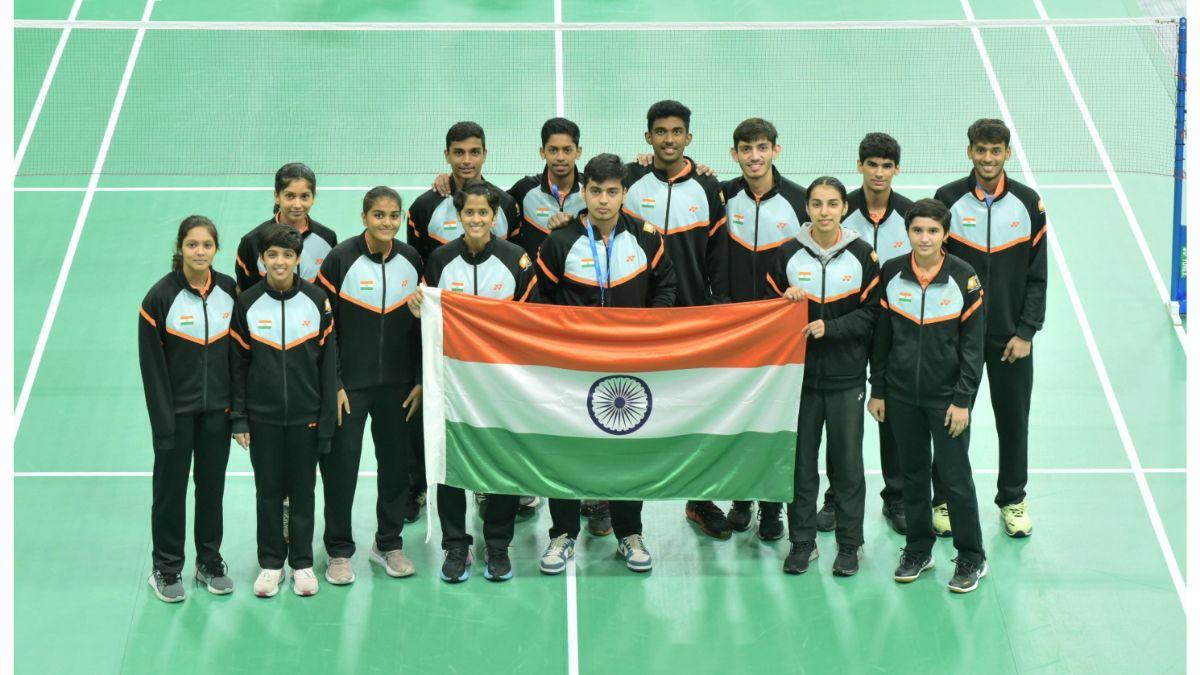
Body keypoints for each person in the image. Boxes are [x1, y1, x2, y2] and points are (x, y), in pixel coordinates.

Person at [534, 153, 677, 574]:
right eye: (595, 191)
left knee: (625, 447)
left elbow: (665, 285)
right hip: (572, 366)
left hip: (628, 364)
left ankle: (629, 532)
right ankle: (562, 533)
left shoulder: (647, 237)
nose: (602, 200)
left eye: (612, 192)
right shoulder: (559, 242)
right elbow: (540, 301)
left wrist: (647, 330)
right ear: (584, 191)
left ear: (624, 194)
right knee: (565, 447)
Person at [410, 180, 536, 583]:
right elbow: (431, 321)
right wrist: (420, 310)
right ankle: (455, 545)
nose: (477, 219)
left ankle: (497, 544)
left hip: (501, 383)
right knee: (452, 461)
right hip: (454, 383)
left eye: (484, 213)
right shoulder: (441, 261)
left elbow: (531, 322)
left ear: (494, 215)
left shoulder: (517, 260)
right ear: (459, 216)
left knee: (501, 459)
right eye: (469, 213)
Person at [623, 99, 732, 540]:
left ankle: (700, 500)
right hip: (639, 320)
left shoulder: (708, 188)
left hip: (690, 320)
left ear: (689, 137)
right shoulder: (629, 181)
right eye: (660, 132)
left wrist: (717, 312)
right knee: (631, 410)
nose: (669, 139)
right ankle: (619, 507)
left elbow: (718, 255)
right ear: (647, 137)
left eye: (677, 131)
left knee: (695, 414)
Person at [868, 198, 989, 593]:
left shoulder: (963, 277)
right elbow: (882, 340)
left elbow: (974, 347)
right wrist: (879, 390)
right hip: (902, 398)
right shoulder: (892, 273)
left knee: (955, 479)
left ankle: (972, 557)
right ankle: (919, 548)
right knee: (913, 478)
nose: (925, 238)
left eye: (933, 231)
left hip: (946, 400)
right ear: (908, 233)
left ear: (945, 234)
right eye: (918, 230)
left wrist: (962, 400)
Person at [934, 118, 1046, 538]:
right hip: (956, 334)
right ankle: (942, 498)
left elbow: (1038, 274)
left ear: (1007, 153)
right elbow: (934, 267)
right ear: (970, 152)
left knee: (1013, 419)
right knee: (950, 418)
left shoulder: (1028, 203)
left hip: (1008, 338)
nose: (987, 158)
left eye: (995, 150)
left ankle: (1013, 499)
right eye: (981, 150)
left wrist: (1027, 332)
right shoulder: (947, 200)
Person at [766, 177, 881, 576]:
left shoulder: (864, 256)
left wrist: (830, 329)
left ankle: (850, 544)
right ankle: (802, 542)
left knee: (846, 466)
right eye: (817, 204)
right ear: (808, 208)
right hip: (798, 380)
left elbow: (871, 315)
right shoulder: (785, 255)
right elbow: (764, 312)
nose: (824, 211)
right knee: (799, 465)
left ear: (843, 208)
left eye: (832, 204)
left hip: (847, 378)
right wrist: (785, 302)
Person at [315, 187, 423, 585]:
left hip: (397, 388)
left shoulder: (412, 260)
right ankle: (339, 551)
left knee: (396, 468)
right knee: (340, 468)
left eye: (394, 216)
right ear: (364, 217)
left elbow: (421, 329)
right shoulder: (340, 259)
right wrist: (336, 383)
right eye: (379, 215)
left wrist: (418, 380)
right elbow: (325, 330)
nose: (387, 223)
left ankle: (388, 544)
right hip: (350, 389)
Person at [230, 224, 338, 598]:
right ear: (262, 259)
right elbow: (239, 366)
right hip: (263, 419)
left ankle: (303, 563)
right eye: (272, 255)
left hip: (306, 417)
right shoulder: (246, 304)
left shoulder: (317, 300)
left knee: (304, 492)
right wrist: (240, 418)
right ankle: (271, 563)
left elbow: (328, 366)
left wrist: (325, 423)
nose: (279, 262)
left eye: (287, 255)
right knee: (268, 492)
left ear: (297, 260)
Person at [138, 216, 237, 602]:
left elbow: (237, 359)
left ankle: (209, 561)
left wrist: (235, 412)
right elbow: (152, 369)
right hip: (175, 416)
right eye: (192, 244)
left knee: (211, 488)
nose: (199, 251)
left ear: (216, 249)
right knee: (170, 492)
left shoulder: (229, 290)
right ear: (180, 248)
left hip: (217, 413)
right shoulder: (158, 298)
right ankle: (165, 568)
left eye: (206, 245)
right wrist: (163, 423)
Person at [720, 117, 808, 539]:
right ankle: (741, 496)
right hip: (736, 327)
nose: (753, 156)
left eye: (761, 147)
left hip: (780, 331)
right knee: (739, 415)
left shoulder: (799, 200)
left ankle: (772, 507)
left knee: (776, 417)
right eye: (745, 148)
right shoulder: (721, 194)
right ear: (733, 154)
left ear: (776, 149)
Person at [823, 132, 915, 536]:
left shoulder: (910, 214)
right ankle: (833, 496)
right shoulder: (841, 210)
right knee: (839, 421)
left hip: (895, 331)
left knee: (890, 414)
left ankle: (895, 496)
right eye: (871, 164)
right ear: (858, 166)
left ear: (897, 169)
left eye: (886, 166)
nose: (879, 173)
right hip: (849, 326)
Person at [407, 121, 521, 263]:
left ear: (484, 154)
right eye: (459, 152)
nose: (467, 161)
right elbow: (415, 263)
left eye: (474, 152)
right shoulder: (424, 207)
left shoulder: (506, 205)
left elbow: (515, 261)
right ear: (447, 155)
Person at [235, 162, 338, 292]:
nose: (297, 205)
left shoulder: (328, 238)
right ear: (277, 196)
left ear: (313, 197)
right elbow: (244, 293)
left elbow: (331, 286)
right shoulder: (252, 242)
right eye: (290, 196)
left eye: (304, 196)